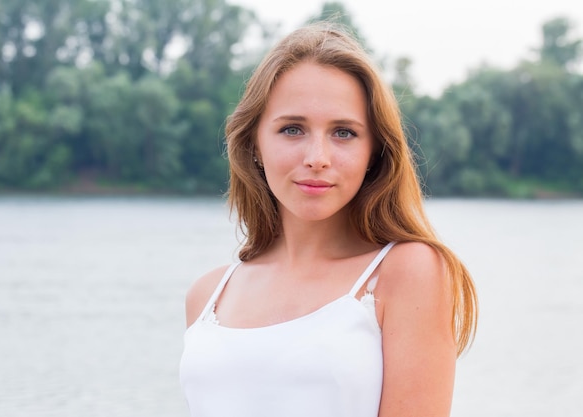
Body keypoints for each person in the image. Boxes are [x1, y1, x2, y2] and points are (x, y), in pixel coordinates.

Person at [179, 22, 477, 417]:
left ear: (375, 151)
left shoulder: (406, 272)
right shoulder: (209, 295)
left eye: (343, 133)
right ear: (254, 143)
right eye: (292, 129)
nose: (317, 156)